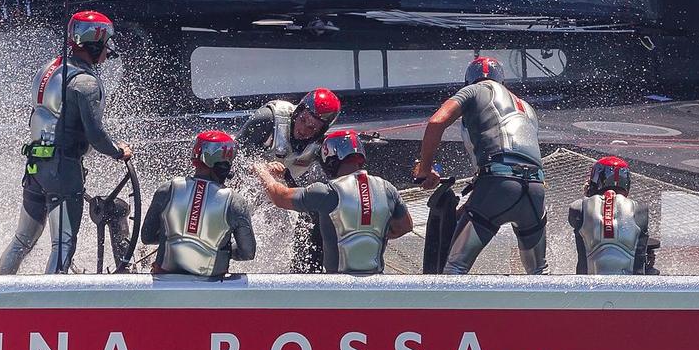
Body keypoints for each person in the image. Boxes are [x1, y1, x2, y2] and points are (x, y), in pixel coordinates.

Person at [0, 10, 132, 275]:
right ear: (95, 44)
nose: (109, 50)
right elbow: (95, 134)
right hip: (64, 170)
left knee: (22, 241)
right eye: (106, 43)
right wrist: (119, 152)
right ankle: (51, 309)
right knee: (63, 245)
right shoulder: (86, 83)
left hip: (35, 166)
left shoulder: (48, 70)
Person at [412, 56, 550, 275]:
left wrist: (425, 170)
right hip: (535, 191)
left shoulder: (474, 90)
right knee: (539, 273)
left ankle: (447, 310)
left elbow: (437, 122)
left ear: (469, 80)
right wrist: (471, 206)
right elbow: (518, 156)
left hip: (498, 186)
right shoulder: (526, 107)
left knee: (454, 269)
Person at [254, 129, 412, 274]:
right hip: (375, 284)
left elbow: (279, 197)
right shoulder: (387, 189)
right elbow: (405, 227)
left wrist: (263, 171)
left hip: (337, 288)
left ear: (329, 159)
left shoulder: (326, 192)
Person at [237, 88, 342, 272]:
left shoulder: (320, 145)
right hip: (247, 183)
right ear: (298, 111)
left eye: (312, 128)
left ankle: (302, 270)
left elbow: (336, 179)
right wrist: (260, 164)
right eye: (302, 121)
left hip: (279, 192)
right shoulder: (269, 119)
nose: (303, 130)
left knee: (307, 220)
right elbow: (235, 157)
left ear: (321, 130)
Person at [141, 131, 255, 277]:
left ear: (196, 156)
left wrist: (176, 238)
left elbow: (147, 237)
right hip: (211, 289)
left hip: (165, 284)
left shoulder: (167, 190)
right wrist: (218, 246)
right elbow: (248, 252)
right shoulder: (235, 201)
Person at [569, 156, 651, 275]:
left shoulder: (578, 207)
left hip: (587, 287)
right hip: (633, 288)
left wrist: (588, 195)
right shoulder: (640, 209)